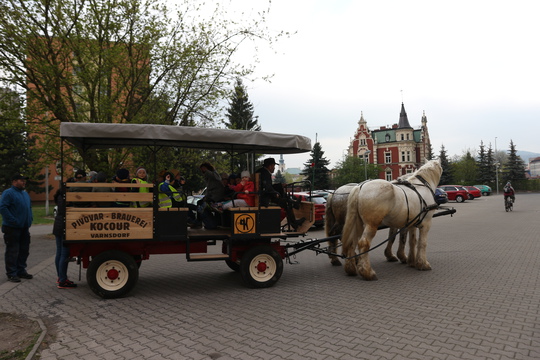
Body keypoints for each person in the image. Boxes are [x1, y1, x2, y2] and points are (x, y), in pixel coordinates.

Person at [0, 174, 33, 283]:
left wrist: (30, 218)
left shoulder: (24, 194)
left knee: (24, 250)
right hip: (12, 228)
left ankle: (21, 270)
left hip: (24, 227)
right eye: (21, 180)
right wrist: (12, 220)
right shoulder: (8, 193)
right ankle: (11, 273)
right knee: (12, 251)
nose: (24, 182)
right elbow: (3, 207)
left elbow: (29, 207)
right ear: (14, 181)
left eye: (24, 180)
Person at [255, 158, 304, 231]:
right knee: (286, 203)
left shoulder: (262, 171)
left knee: (281, 191)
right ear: (270, 166)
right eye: (274, 166)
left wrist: (280, 185)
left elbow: (268, 186)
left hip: (263, 195)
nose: (274, 168)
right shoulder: (265, 173)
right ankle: (294, 221)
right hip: (264, 199)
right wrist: (275, 193)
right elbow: (267, 187)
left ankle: (292, 203)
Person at [52, 187, 77, 289]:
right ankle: (62, 280)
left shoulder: (59, 196)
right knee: (64, 253)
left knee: (59, 252)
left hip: (58, 227)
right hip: (63, 227)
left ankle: (60, 277)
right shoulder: (65, 198)